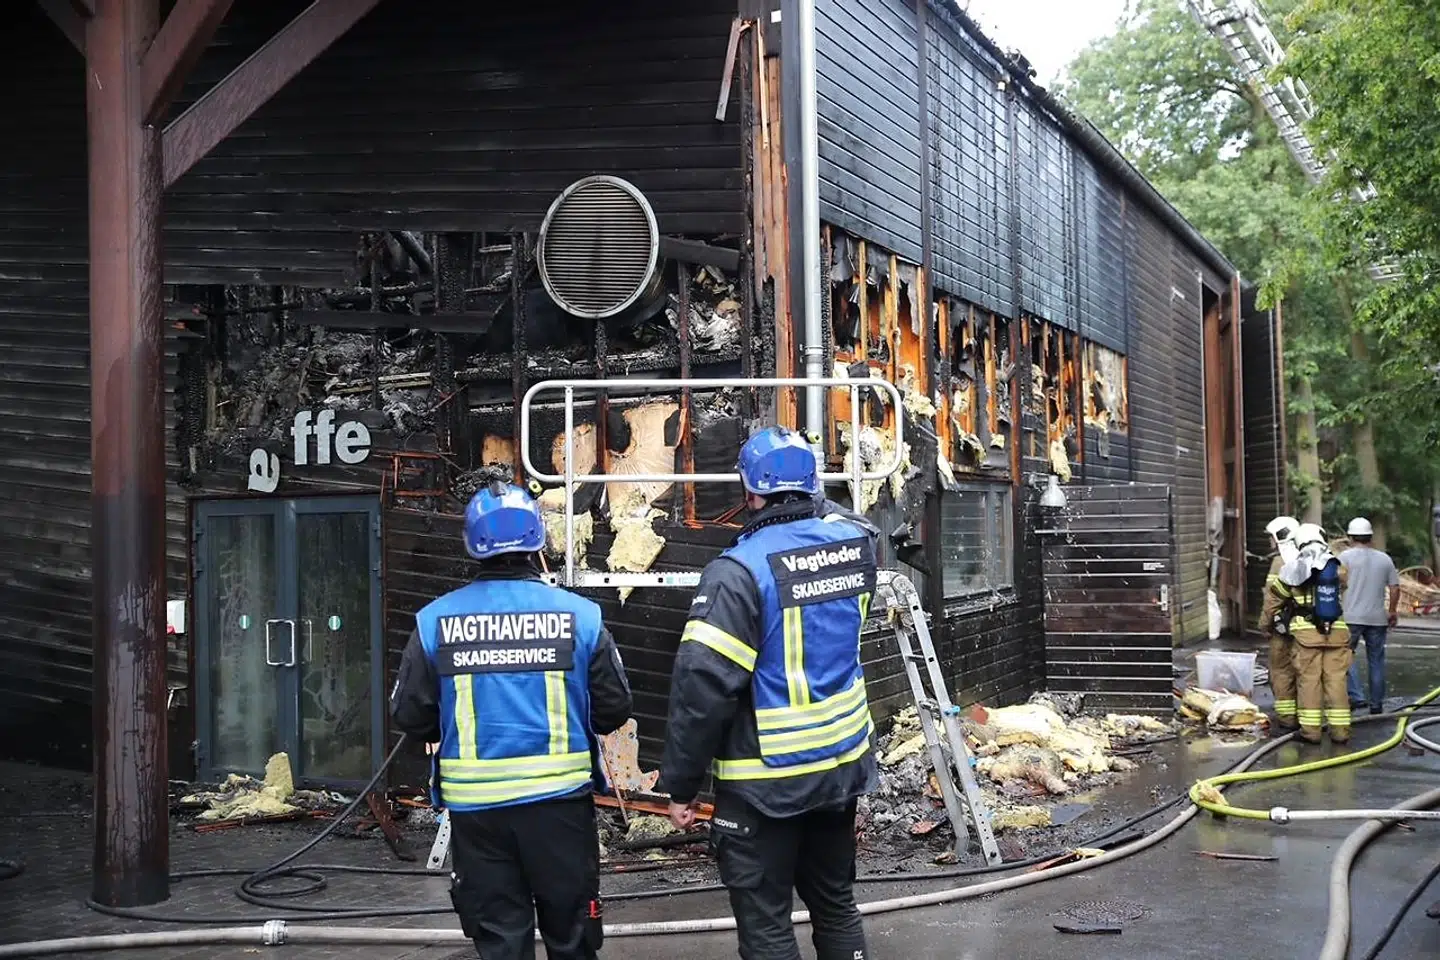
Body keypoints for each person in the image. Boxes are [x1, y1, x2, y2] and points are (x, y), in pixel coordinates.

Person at [661, 425, 878, 960]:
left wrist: (681, 786)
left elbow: (702, 689)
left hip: (764, 783)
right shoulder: (856, 546)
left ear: (750, 492)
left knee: (767, 922)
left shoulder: (737, 572)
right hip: (840, 764)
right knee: (835, 903)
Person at [390, 481, 632, 960]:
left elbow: (411, 716)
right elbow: (614, 708)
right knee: (573, 937)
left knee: (500, 942)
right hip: (560, 809)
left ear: (472, 543)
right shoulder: (580, 617)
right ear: (538, 540)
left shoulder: (434, 621)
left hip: (478, 815)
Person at [1269, 524, 1352, 743]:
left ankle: (1311, 733)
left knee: (1309, 682)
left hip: (1306, 637)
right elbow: (1343, 584)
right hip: (1336, 632)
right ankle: (1341, 732)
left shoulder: (1293, 569)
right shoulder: (1336, 567)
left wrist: (1269, 623)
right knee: (1336, 682)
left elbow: (1275, 597)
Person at [1341, 517, 1400, 715]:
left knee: (1345, 656)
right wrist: (1392, 611)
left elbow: (1335, 584)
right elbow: (1394, 588)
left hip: (1350, 617)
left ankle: (1356, 696)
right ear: (1370, 537)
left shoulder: (1344, 558)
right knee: (1376, 661)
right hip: (1377, 618)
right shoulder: (1385, 559)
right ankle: (1376, 704)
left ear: (1350, 537)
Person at [1259, 515, 1302, 730]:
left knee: (1281, 671)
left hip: (1282, 628)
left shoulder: (1280, 562)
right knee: (1305, 671)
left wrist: (1264, 624)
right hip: (1308, 627)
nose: (1270, 542)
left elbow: (1271, 598)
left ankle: (1287, 718)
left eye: (1271, 538)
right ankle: (1308, 718)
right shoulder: (1310, 556)